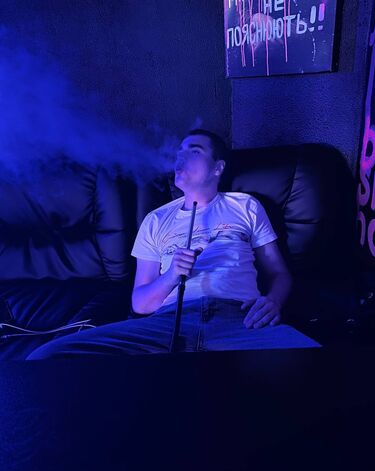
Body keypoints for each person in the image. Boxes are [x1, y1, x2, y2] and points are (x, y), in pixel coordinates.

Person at [28, 129, 320, 359]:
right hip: (167, 323)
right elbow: (140, 303)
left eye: (194, 151)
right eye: (179, 151)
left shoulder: (245, 205)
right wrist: (171, 276)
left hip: (239, 319)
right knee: (48, 356)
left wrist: (273, 301)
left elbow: (278, 273)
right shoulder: (155, 220)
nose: (181, 157)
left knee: (323, 367)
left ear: (218, 168)